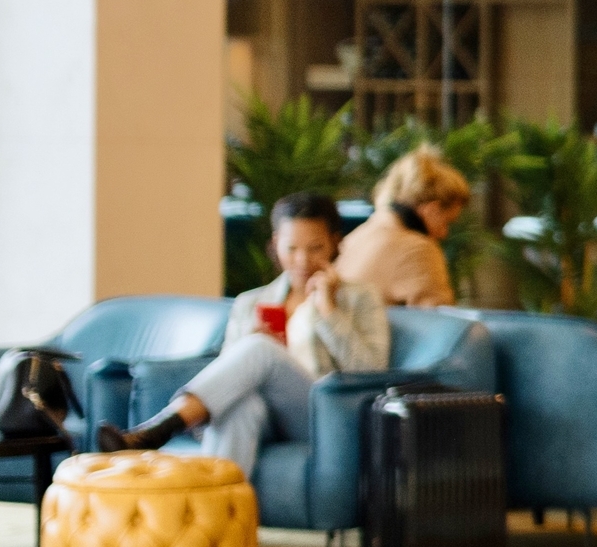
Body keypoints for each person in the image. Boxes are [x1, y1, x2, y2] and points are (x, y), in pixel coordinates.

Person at [99, 191, 390, 463]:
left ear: (335, 243)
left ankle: (161, 427)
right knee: (241, 409)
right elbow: (227, 378)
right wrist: (245, 345)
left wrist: (329, 312)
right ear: (276, 244)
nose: (302, 260)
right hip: (266, 413)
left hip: (323, 415)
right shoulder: (250, 303)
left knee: (260, 349)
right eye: (291, 248)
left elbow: (371, 369)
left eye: (315, 248)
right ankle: (216, 513)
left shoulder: (360, 298)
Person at [337, 149, 471, 307]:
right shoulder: (418, 249)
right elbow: (441, 325)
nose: (444, 233)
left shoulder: (357, 236)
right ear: (432, 209)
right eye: (447, 222)